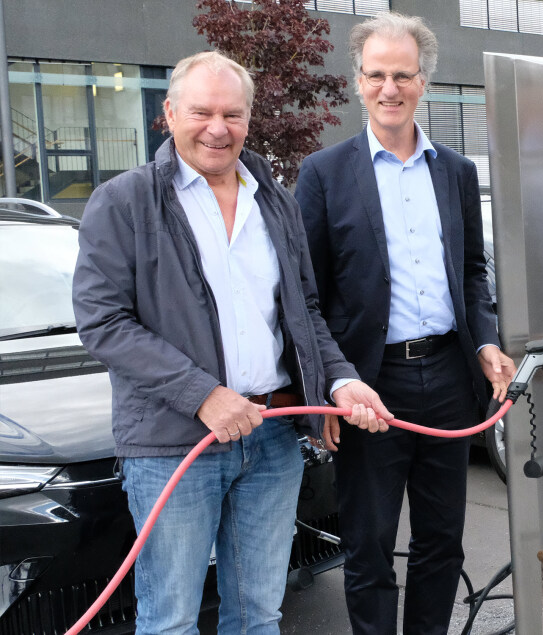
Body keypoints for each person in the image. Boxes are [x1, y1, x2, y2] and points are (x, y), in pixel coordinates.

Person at [72, 51, 392, 634]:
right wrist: (203, 395)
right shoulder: (124, 202)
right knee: (170, 621)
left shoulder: (273, 200)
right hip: (174, 447)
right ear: (168, 113)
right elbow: (102, 321)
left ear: (248, 119)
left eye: (233, 114)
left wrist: (341, 380)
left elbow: (305, 313)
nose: (218, 128)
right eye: (202, 111)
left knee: (258, 616)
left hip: (270, 441)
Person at [294, 12, 515, 635]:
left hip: (448, 376)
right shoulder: (324, 174)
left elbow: (472, 271)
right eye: (376, 75)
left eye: (403, 75)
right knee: (367, 547)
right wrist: (330, 390)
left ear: (424, 83)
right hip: (370, 384)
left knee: (443, 542)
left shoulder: (456, 172)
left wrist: (487, 340)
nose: (389, 87)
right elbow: (305, 299)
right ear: (358, 82)